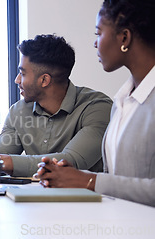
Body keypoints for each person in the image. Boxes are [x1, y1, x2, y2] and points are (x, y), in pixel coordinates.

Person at [36, 0, 155, 207]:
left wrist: (88, 180)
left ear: (124, 37)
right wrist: (71, 176)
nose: (95, 43)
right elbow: (120, 179)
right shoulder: (122, 101)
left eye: (98, 33)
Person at [0, 34, 113, 177]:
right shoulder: (18, 111)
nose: (17, 80)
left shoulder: (97, 107)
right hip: (30, 202)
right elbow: (1, 157)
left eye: (23, 74)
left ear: (44, 80)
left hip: (86, 204)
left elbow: (70, 161)